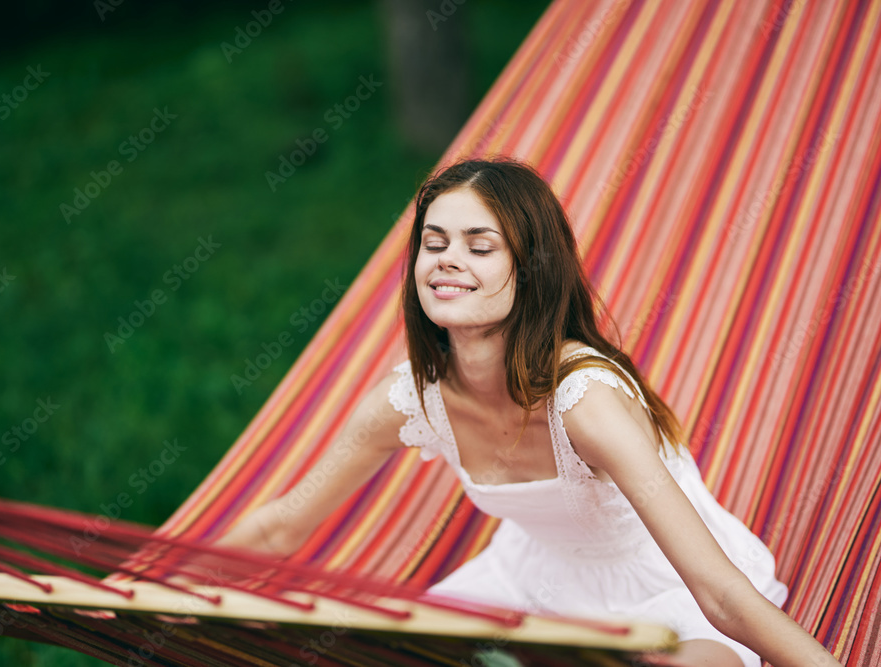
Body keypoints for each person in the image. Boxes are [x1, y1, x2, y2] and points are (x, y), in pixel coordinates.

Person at [181, 158, 842, 667]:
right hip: (528, 579)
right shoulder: (411, 398)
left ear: (530, 268)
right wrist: (140, 594)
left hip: (663, 584)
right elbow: (279, 528)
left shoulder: (586, 401)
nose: (447, 260)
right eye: (434, 241)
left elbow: (719, 592)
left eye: (479, 243)